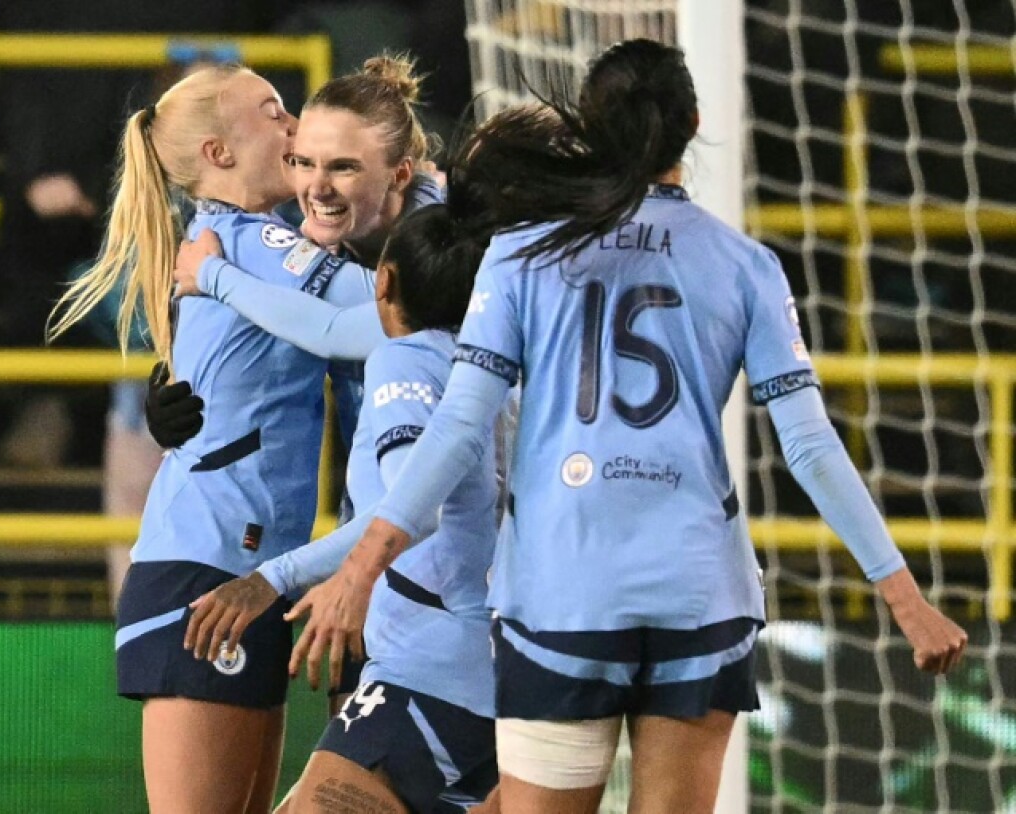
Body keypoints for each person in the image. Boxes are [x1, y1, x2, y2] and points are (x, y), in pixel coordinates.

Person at [286, 39, 969, 814]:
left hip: (562, 598)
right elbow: (809, 445)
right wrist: (904, 597)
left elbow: (458, 430)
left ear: (593, 126)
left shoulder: (521, 255)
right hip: (698, 598)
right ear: (695, 124)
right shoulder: (745, 264)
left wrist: (361, 566)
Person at [47, 63, 372, 814]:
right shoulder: (249, 244)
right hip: (207, 572)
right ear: (221, 153)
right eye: (274, 114)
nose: (297, 129)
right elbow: (388, 304)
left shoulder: (240, 243)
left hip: (249, 569)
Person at [182, 201, 501, 814]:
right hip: (506, 676)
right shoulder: (504, 369)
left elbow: (407, 504)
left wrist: (275, 577)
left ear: (384, 282)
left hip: (427, 674)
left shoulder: (407, 357)